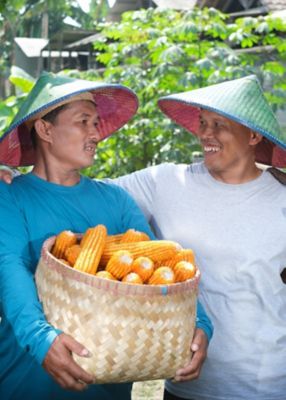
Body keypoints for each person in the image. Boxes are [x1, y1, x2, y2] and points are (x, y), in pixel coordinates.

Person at [0, 72, 213, 400]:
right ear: (45, 129)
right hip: (26, 382)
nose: (95, 133)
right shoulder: (10, 195)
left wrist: (199, 323)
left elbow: (159, 273)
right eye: (83, 121)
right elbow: (10, 268)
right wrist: (43, 340)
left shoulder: (116, 201)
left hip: (107, 389)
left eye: (96, 122)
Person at [108, 75, 286, 400]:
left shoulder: (281, 197)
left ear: (254, 134)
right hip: (186, 385)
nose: (205, 133)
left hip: (267, 384)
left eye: (219, 124)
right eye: (203, 123)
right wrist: (14, 176)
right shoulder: (165, 183)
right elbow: (83, 194)